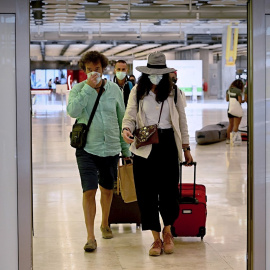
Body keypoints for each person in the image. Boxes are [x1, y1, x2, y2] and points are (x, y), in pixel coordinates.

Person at [121, 52, 193, 256]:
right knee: (146, 193)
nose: (156, 76)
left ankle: (168, 231)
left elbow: (182, 121)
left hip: (169, 143)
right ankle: (155, 239)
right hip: (145, 145)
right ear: (146, 73)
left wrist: (186, 148)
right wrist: (126, 129)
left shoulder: (174, 92)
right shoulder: (137, 91)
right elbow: (130, 116)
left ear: (165, 74)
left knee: (169, 191)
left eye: (159, 73)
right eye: (152, 73)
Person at [67, 51, 131, 252]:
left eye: (97, 69)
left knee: (106, 189)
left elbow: (122, 120)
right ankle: (90, 236)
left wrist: (125, 149)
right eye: (89, 70)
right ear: (84, 71)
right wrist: (88, 88)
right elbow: (73, 112)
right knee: (89, 190)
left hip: (110, 147)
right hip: (86, 148)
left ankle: (105, 223)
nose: (93, 73)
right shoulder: (79, 89)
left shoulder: (114, 90)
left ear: (104, 69)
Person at [225, 79, 244, 145]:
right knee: (236, 126)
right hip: (236, 110)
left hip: (230, 110)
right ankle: (233, 140)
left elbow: (227, 100)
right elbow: (240, 101)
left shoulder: (228, 91)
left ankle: (227, 139)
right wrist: (244, 100)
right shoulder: (238, 91)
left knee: (230, 124)